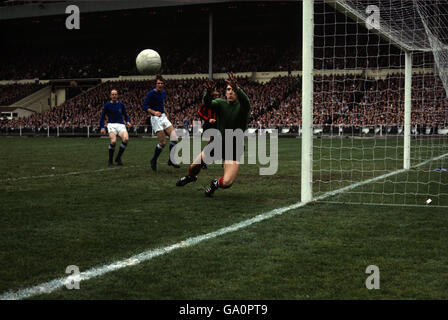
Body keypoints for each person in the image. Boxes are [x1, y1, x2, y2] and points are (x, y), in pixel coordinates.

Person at [180, 73, 251, 197]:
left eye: (233, 90)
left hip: (234, 147)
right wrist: (208, 93)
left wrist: (238, 89)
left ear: (237, 92)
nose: (230, 92)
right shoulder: (220, 103)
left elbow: (247, 102)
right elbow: (207, 104)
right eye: (228, 89)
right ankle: (191, 177)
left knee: (228, 182)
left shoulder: (242, 107)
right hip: (218, 143)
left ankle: (215, 184)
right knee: (194, 166)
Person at [176, 90, 218, 187]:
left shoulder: (218, 103)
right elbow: (200, 113)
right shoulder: (206, 104)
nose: (216, 96)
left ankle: (210, 160)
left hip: (217, 125)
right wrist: (208, 119)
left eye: (217, 95)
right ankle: (203, 162)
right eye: (214, 95)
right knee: (210, 143)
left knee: (214, 143)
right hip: (209, 124)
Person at [142, 75, 180, 171]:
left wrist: (166, 113)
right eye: (158, 83)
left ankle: (171, 160)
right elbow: (145, 106)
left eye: (161, 83)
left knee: (174, 138)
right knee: (163, 143)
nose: (160, 85)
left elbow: (161, 105)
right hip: (155, 118)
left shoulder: (163, 92)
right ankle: (153, 160)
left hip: (163, 117)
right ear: (155, 84)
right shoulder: (151, 94)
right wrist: (154, 112)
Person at [99, 89, 132, 166]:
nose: (114, 96)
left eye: (115, 94)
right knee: (113, 141)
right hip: (111, 125)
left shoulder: (121, 104)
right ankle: (110, 160)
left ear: (117, 95)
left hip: (120, 125)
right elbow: (102, 117)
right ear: (110, 96)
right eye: (112, 94)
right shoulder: (107, 105)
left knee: (126, 139)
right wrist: (102, 127)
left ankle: (118, 157)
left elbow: (126, 115)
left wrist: (128, 122)